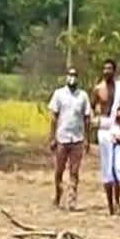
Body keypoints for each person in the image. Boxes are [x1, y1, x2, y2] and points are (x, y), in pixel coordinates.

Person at [48, 68, 92, 210]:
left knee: (74, 170)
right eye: (70, 75)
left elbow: (87, 119)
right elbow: (54, 117)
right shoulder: (59, 94)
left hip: (77, 139)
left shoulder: (83, 96)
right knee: (59, 170)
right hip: (62, 137)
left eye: (74, 75)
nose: (72, 78)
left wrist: (87, 139)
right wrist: (52, 137)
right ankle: (57, 194)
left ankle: (72, 199)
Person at [91, 59, 120, 215]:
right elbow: (92, 108)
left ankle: (117, 201)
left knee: (117, 166)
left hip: (117, 127)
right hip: (104, 127)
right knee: (107, 168)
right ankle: (110, 205)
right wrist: (95, 121)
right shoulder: (98, 89)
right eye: (105, 68)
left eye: (110, 69)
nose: (107, 71)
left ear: (114, 71)